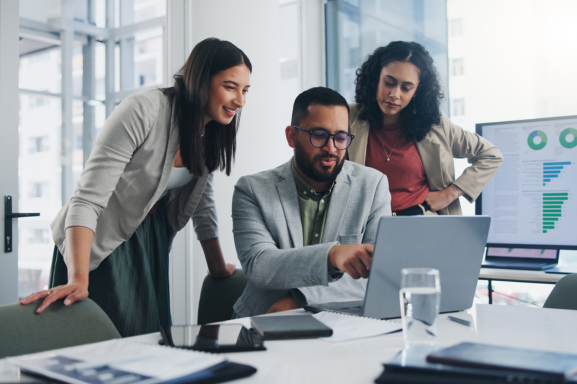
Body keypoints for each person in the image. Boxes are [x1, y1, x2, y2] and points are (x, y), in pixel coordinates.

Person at [19, 38, 252, 337]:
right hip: (98, 240)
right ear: (199, 80)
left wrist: (217, 267)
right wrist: (78, 277)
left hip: (148, 239)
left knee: (148, 341)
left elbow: (201, 203)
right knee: (111, 343)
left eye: (245, 91)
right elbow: (86, 199)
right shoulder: (145, 109)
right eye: (230, 87)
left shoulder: (210, 133)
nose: (240, 101)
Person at [231, 87, 391, 318]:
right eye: (319, 135)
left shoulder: (373, 185)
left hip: (344, 323)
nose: (331, 148)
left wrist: (299, 299)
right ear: (292, 136)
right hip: (261, 319)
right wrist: (332, 256)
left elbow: (380, 273)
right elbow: (260, 266)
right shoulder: (252, 190)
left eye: (341, 137)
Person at [348, 41, 503, 216]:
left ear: (417, 90)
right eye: (389, 83)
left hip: (423, 223)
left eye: (406, 88)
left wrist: (450, 193)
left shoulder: (434, 123)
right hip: (366, 227)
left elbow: (491, 155)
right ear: (376, 78)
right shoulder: (347, 118)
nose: (394, 94)